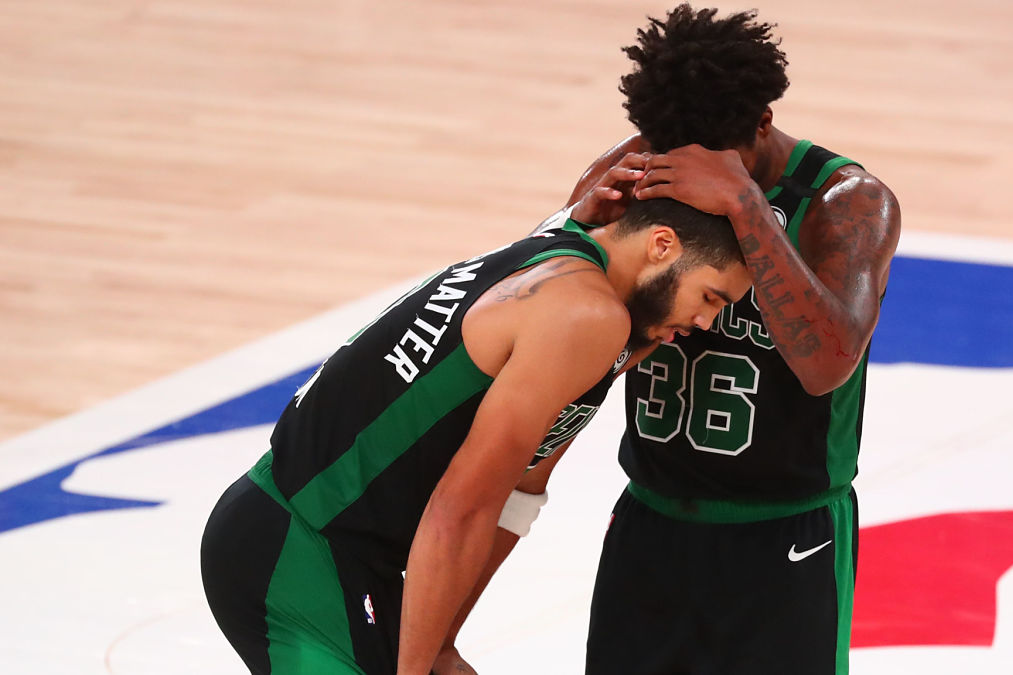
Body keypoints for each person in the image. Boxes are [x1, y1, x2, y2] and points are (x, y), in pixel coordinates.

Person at [199, 154, 753, 675]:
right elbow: (461, 508)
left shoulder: (575, 265)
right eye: (710, 297)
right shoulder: (584, 313)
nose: (706, 323)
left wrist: (439, 646)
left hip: (338, 554)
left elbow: (522, 490)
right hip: (297, 548)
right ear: (662, 245)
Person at [564, 6, 901, 674]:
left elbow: (827, 363)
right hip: (650, 523)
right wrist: (572, 226)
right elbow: (544, 309)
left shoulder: (846, 201)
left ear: (763, 124)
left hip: (784, 537)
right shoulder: (635, 171)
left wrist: (744, 205)